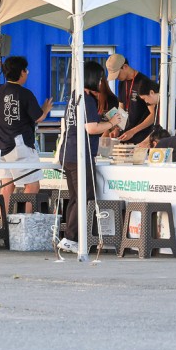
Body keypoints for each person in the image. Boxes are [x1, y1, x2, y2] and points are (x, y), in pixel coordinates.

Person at [55, 61, 124, 253]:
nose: (102, 82)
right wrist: (111, 122)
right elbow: (91, 128)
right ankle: (71, 238)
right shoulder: (87, 99)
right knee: (85, 197)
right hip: (80, 154)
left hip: (68, 154)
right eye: (101, 78)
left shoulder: (75, 96)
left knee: (76, 197)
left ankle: (70, 237)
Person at [0, 56, 53, 213]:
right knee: (32, 185)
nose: (27, 73)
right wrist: (45, 108)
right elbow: (39, 117)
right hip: (20, 146)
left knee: (7, 185)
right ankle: (24, 224)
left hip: (1, 146)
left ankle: (5, 226)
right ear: (21, 72)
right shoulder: (25, 94)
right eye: (26, 70)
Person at [105, 54, 155, 144]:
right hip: (126, 135)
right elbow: (121, 109)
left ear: (125, 67)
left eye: (117, 74)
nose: (116, 78)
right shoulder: (121, 83)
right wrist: (117, 128)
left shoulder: (143, 83)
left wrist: (133, 131)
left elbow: (153, 115)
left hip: (142, 137)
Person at [135, 77, 176, 148]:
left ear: (151, 92)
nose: (146, 102)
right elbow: (156, 129)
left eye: (144, 98)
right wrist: (143, 143)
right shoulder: (158, 107)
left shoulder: (171, 105)